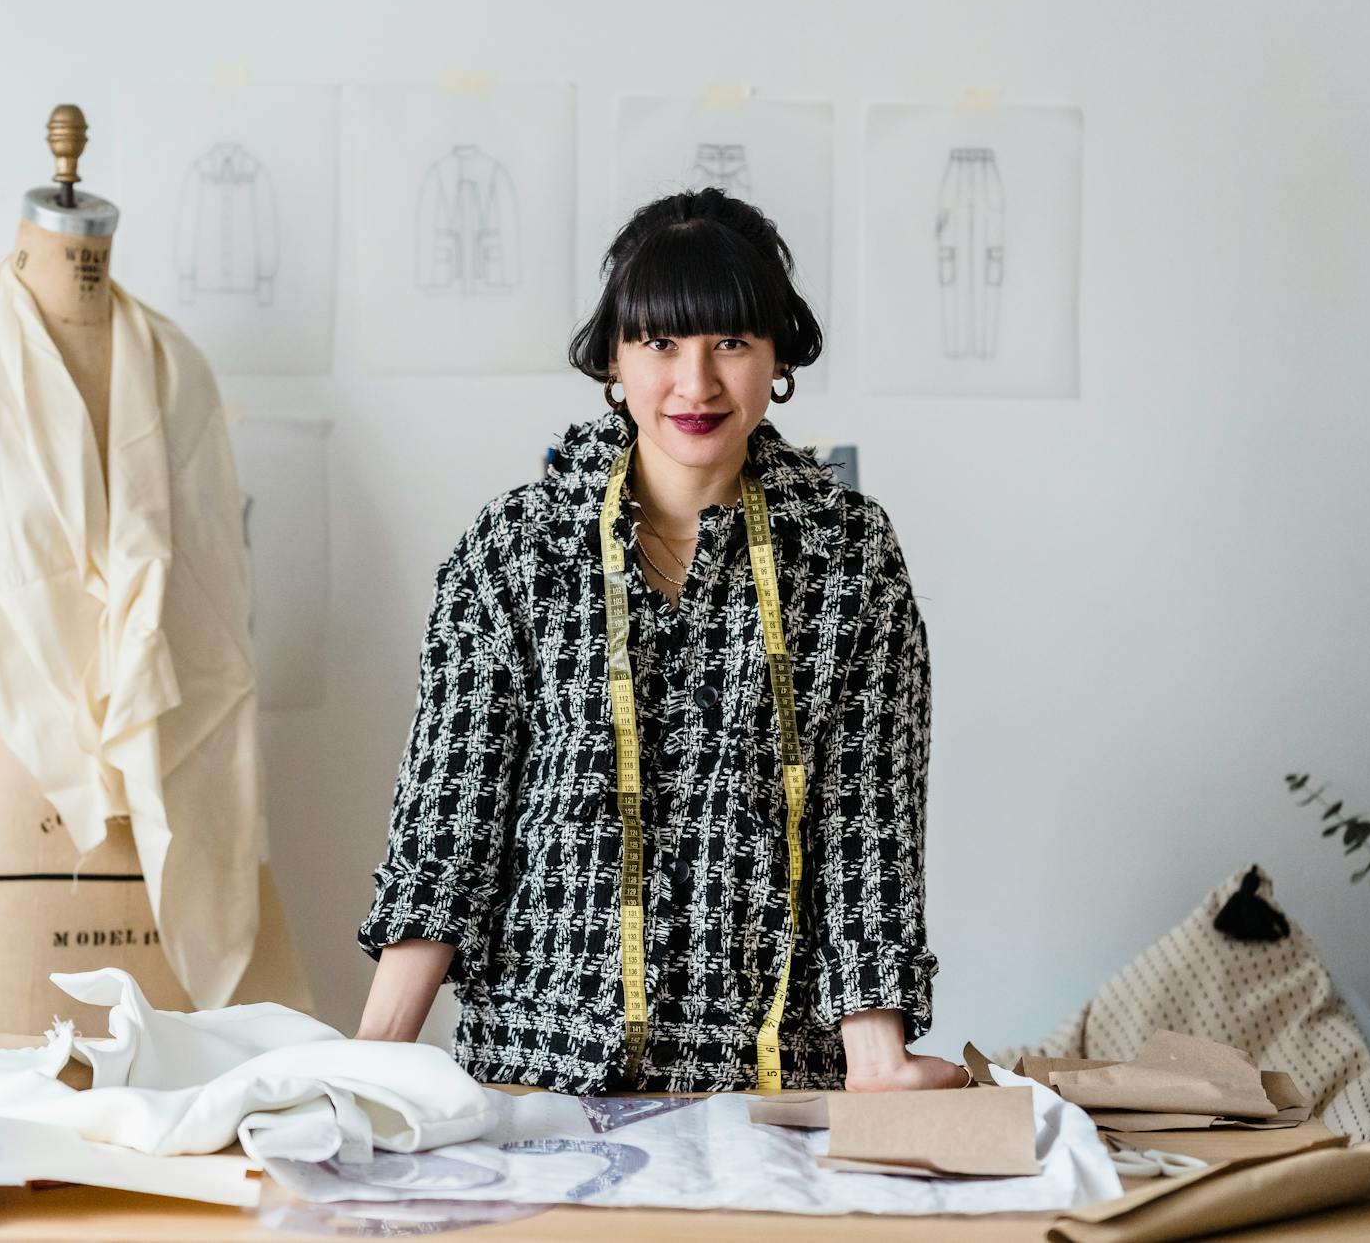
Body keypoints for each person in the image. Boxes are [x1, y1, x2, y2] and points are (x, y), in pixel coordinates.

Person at [355, 188, 965, 1094]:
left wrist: (877, 1058)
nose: (696, 383)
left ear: (779, 357)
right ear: (612, 356)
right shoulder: (515, 550)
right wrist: (370, 1060)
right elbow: (450, 830)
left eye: (731, 341)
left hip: (772, 1093)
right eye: (660, 342)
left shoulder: (848, 555)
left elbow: (866, 824)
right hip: (535, 1080)